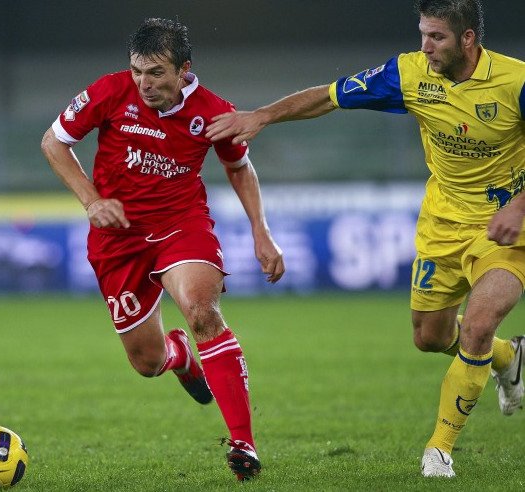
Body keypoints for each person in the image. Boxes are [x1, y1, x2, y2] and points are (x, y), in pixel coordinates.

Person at [206, 0, 524, 479]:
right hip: (442, 226)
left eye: (437, 36)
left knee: (477, 325)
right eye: (423, 34)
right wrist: (264, 116)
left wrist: (518, 207)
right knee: (429, 337)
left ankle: (439, 450)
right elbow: (330, 96)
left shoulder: (516, 82)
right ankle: (509, 356)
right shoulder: (410, 74)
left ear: (468, 39)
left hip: (507, 228)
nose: (425, 46)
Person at [41, 18, 284, 481]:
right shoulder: (109, 91)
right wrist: (92, 202)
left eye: (155, 73)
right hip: (117, 238)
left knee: (202, 312)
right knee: (146, 362)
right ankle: (179, 356)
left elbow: (239, 168)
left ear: (183, 69)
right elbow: (54, 142)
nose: (144, 83)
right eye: (137, 71)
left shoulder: (213, 112)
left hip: (180, 226)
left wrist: (261, 230)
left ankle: (244, 444)